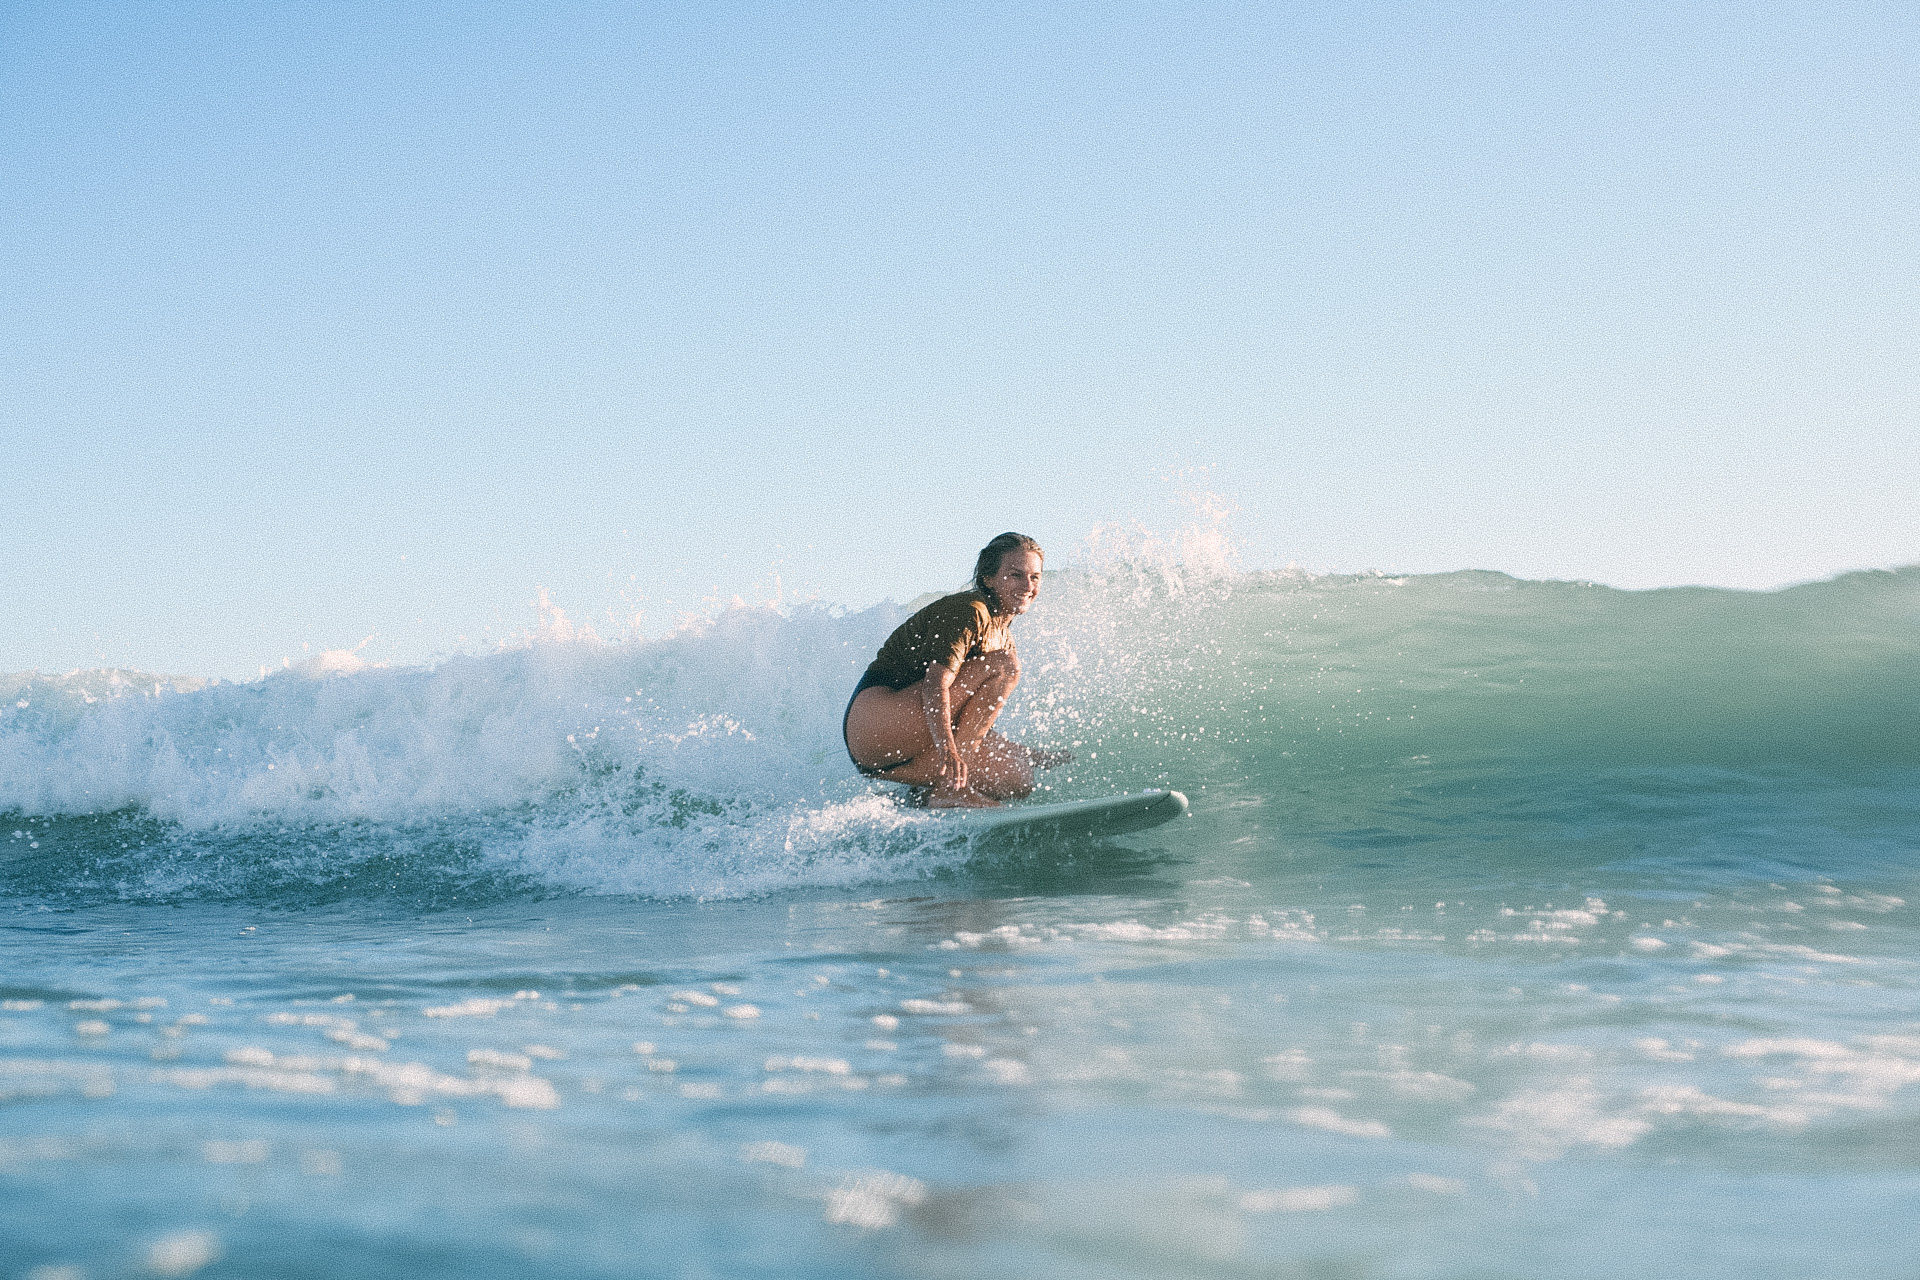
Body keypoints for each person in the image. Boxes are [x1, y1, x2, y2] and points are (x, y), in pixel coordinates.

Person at [843, 533, 1072, 807]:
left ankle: (920, 797)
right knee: (1005, 665)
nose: (1027, 585)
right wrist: (948, 752)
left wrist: (1029, 755)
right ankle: (952, 788)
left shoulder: (1003, 636)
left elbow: (971, 724)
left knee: (1017, 778)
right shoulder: (971, 612)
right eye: (1015, 575)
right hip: (873, 722)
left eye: (1035, 577)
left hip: (901, 748)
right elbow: (934, 686)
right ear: (988, 578)